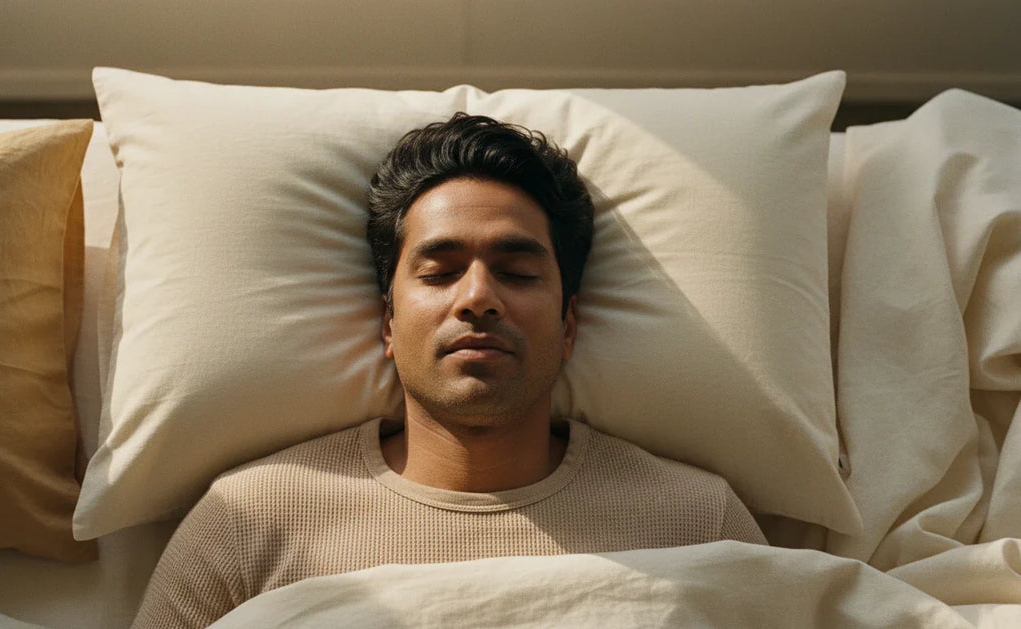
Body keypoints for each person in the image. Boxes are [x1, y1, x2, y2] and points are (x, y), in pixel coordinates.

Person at [132, 113, 766, 628]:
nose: (477, 298)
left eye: (517, 273)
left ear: (569, 325)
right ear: (387, 323)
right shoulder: (250, 521)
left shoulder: (697, 522)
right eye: (439, 272)